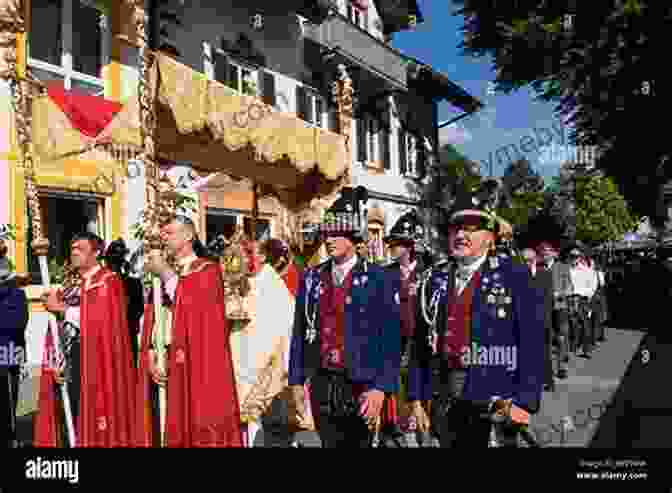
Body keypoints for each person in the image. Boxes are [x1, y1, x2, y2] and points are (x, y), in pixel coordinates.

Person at [408, 179, 544, 448]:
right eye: (457, 228)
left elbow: (532, 341)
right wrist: (415, 397)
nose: (461, 235)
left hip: (496, 398)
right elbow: (419, 344)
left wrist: (526, 401)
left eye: (472, 229)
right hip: (444, 397)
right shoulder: (433, 278)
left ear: (491, 238)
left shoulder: (513, 275)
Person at [288, 186, 402, 448]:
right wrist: (295, 381)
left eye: (336, 234)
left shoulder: (379, 278)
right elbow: (299, 331)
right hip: (322, 383)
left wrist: (381, 388)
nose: (328, 240)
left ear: (352, 236)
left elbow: (392, 339)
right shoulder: (311, 277)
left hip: (361, 385)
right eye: (326, 233)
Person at [144, 215, 243, 447]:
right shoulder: (162, 272)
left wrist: (166, 274)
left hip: (196, 360)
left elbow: (195, 310)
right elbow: (152, 316)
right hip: (165, 359)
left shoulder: (206, 270)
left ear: (188, 235)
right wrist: (151, 353)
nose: (163, 238)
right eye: (163, 233)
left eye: (169, 233)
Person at [36, 232, 136, 447]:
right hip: (69, 358)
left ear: (96, 252)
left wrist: (62, 309)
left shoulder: (108, 281)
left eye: (80, 249)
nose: (74, 253)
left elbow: (103, 322)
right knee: (68, 416)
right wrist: (55, 360)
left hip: (96, 359)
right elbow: (57, 328)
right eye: (72, 249)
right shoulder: (71, 284)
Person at [225, 238, 294, 447]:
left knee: (265, 431)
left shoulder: (273, 285)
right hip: (243, 364)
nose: (245, 258)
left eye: (250, 253)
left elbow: (283, 328)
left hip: (265, 369)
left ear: (262, 257)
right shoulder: (246, 283)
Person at [382, 212, 427, 445]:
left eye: (396, 243)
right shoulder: (385, 274)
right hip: (394, 345)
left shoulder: (428, 273)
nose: (390, 247)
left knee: (422, 400)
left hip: (422, 346)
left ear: (409, 246)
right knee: (399, 398)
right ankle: (402, 434)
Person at [0, 233, 29, 448]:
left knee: (7, 404)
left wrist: (21, 357)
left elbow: (16, 326)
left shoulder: (15, 294)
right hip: (10, 350)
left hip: (7, 352)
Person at [101, 239, 144, 367]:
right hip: (107, 336)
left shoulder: (133, 283)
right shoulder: (100, 283)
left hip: (127, 333)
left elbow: (138, 309)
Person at [537, 241, 572, 379]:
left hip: (559, 307)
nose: (545, 253)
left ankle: (561, 367)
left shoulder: (563, 267)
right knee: (546, 338)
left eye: (548, 251)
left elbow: (569, 286)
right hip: (544, 308)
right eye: (543, 252)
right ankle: (547, 369)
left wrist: (560, 293)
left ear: (553, 253)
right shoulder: (538, 268)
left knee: (561, 337)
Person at [522, 248, 555, 392]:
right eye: (523, 261)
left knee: (544, 352)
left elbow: (548, 299)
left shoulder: (545, 274)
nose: (526, 264)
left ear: (535, 260)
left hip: (541, 320)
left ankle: (548, 380)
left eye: (528, 260)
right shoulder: (519, 275)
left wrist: (543, 319)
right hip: (525, 321)